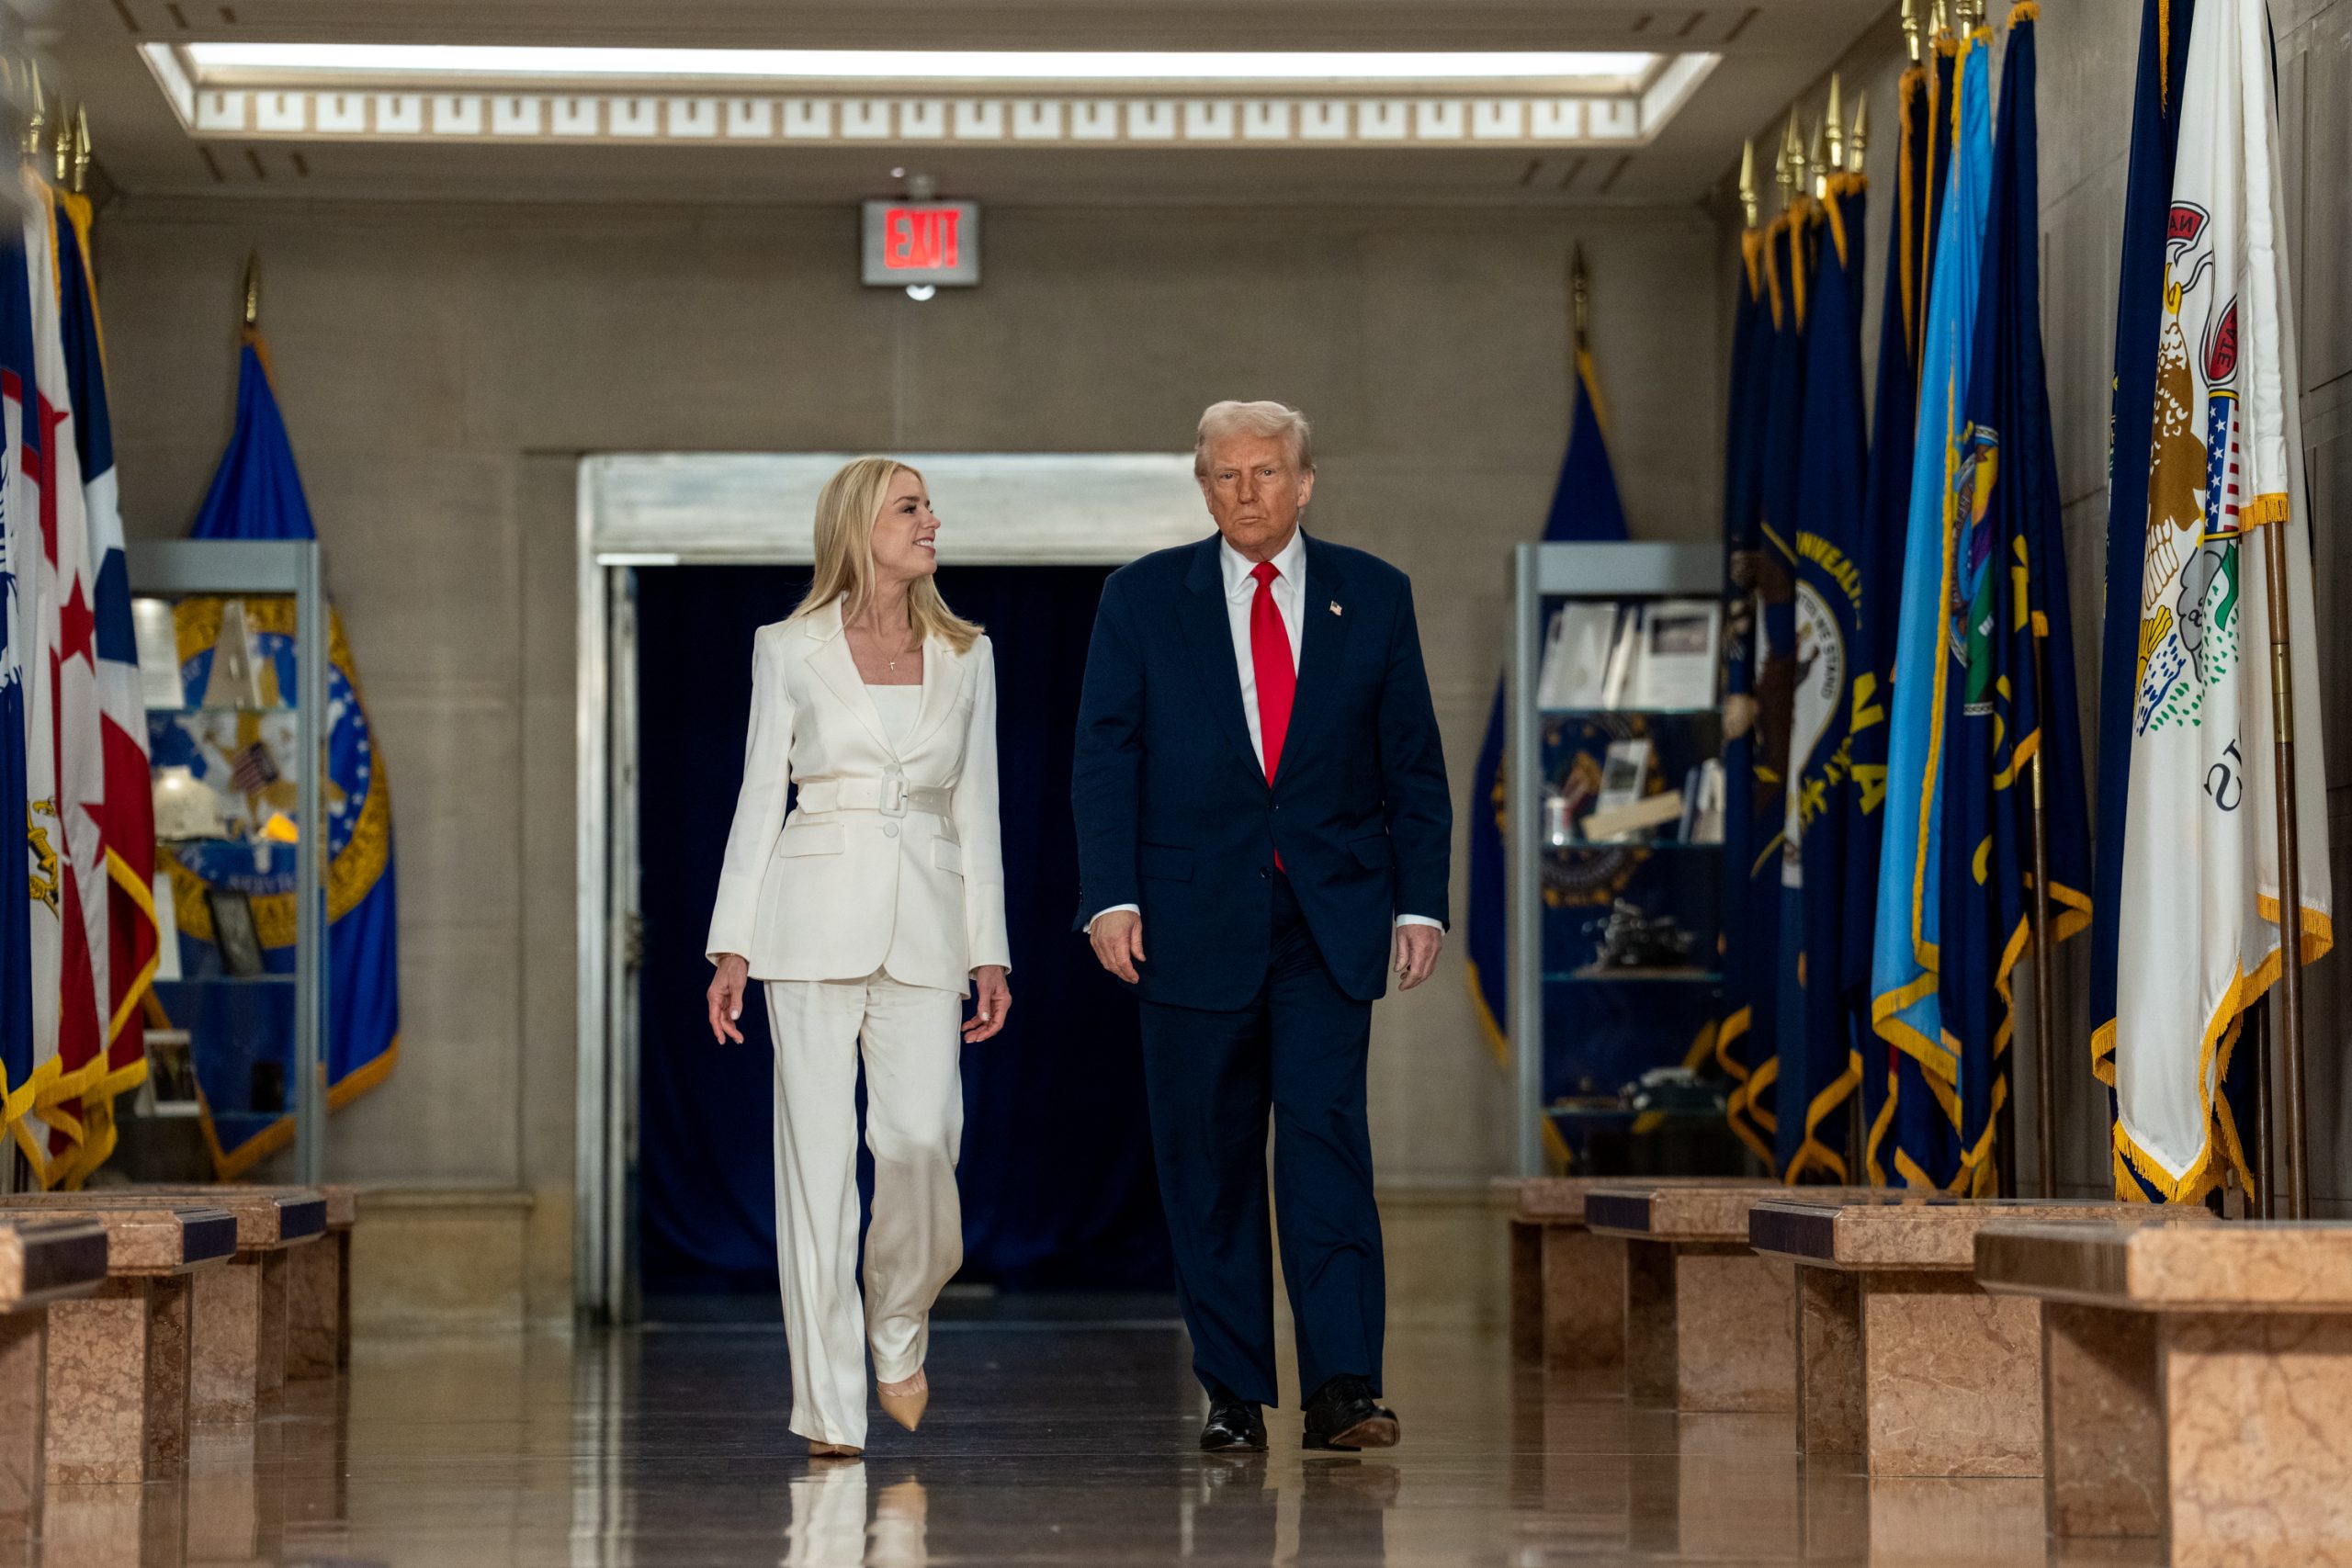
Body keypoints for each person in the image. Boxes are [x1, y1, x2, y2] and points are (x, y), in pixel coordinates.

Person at [1071, 400, 1452, 1453]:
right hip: (1187, 919)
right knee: (1209, 1157)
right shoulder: (1142, 597)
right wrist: (1110, 896)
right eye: (1226, 475)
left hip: (1330, 917)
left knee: (1327, 1142)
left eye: (1266, 471)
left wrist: (1420, 900)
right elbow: (1104, 758)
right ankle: (1232, 1393)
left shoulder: (1374, 594)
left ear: (1305, 482)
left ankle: (1345, 1387)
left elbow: (1413, 763)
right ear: (1203, 489)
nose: (1247, 492)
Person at [705, 457, 1012, 1460]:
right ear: (859, 525)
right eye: (911, 507)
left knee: (922, 1139)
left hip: (929, 922)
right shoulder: (785, 647)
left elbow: (979, 809)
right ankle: (830, 1411)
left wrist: (991, 950)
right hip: (806, 923)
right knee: (817, 1172)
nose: (933, 521)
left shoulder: (968, 654)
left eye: (929, 507)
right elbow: (760, 794)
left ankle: (898, 1320)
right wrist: (732, 944)